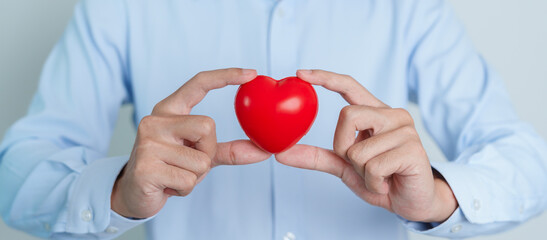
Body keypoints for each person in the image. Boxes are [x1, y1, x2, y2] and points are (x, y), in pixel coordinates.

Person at [1, 0, 546, 239]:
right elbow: (15, 176)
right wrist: (118, 190)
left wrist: (440, 196)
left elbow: (529, 163)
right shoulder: (120, 6)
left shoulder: (409, 7)